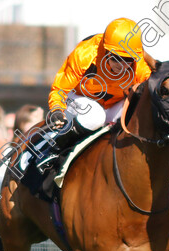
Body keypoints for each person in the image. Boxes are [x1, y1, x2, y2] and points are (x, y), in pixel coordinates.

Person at [37, 17, 151, 172]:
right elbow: (59, 89)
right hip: (78, 99)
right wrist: (57, 109)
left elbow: (155, 90)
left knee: (136, 113)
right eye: (116, 58)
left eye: (128, 59)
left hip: (112, 106)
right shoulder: (84, 54)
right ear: (106, 50)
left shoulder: (140, 65)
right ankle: (53, 150)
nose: (122, 65)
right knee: (95, 116)